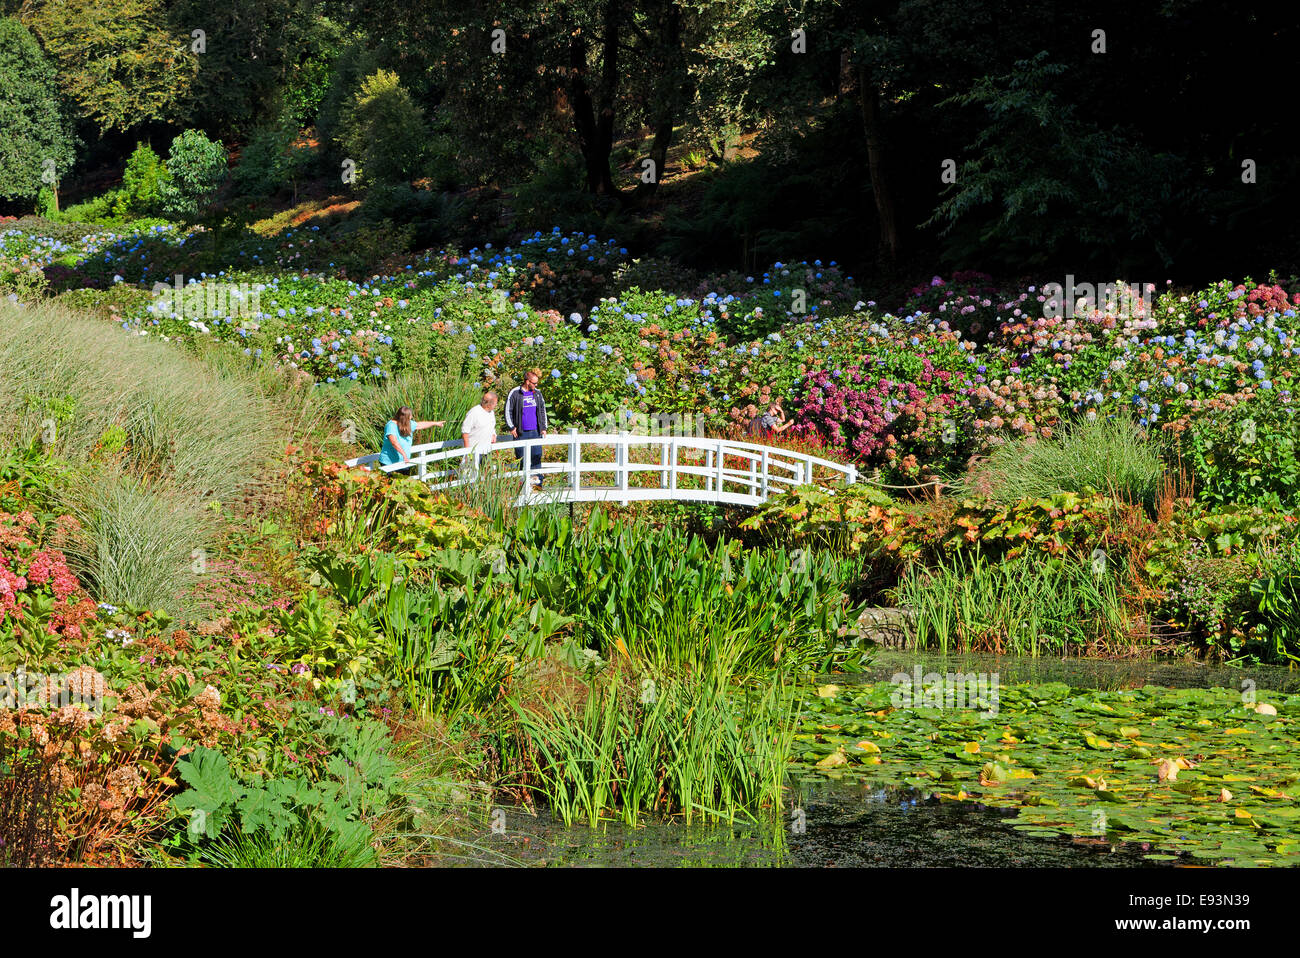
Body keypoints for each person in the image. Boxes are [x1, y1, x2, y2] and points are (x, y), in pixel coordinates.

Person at [504, 368, 549, 488]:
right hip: (520, 432)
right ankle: (523, 486)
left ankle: (537, 485)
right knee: (522, 459)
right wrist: (511, 427)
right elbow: (508, 410)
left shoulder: (538, 393)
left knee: (536, 457)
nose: (536, 385)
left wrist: (544, 427)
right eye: (534, 383)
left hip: (535, 431)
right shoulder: (515, 393)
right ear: (527, 381)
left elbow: (542, 410)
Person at [378, 406, 445, 469]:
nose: (411, 417)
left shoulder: (407, 423)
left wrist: (436, 423)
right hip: (389, 462)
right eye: (410, 416)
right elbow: (394, 442)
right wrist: (404, 454)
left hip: (404, 461)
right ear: (404, 418)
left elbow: (420, 425)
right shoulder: (391, 426)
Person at [460, 390, 498, 473]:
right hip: (473, 451)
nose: (496, 405)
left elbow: (492, 426)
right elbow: (465, 431)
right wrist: (467, 452)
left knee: (484, 475)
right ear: (489, 404)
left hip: (486, 450)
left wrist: (493, 434)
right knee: (470, 475)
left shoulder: (491, 412)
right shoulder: (474, 412)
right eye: (495, 403)